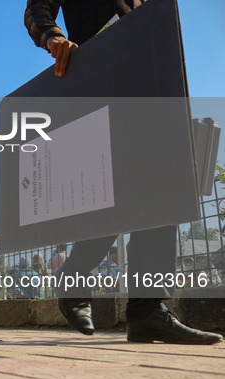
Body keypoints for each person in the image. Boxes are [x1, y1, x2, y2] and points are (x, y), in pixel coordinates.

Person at [24, 0, 222, 344]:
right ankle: (75, 277)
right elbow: (37, 10)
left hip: (148, 76)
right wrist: (53, 37)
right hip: (101, 75)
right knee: (112, 187)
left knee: (163, 185)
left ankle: (147, 309)